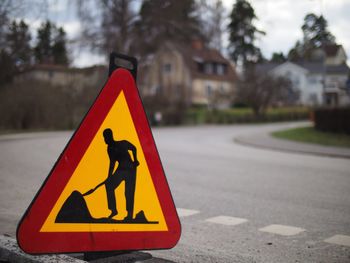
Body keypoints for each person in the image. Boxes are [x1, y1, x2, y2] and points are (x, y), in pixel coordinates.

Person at [103, 128, 139, 220]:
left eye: (105, 137)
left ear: (109, 137)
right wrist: (109, 177)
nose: (104, 140)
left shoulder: (121, 143)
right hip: (123, 170)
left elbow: (134, 148)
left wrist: (135, 160)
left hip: (129, 170)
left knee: (128, 192)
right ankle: (114, 210)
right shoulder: (111, 148)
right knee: (109, 186)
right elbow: (112, 163)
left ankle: (129, 215)